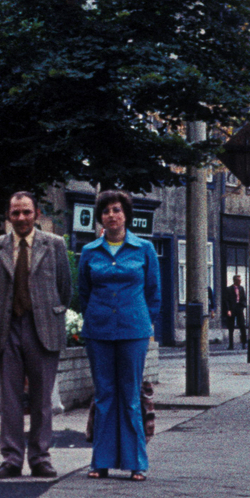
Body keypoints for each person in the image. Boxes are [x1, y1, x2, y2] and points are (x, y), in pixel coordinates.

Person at [0, 191, 73, 479]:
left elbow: (65, 287)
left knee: (41, 398)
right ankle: (11, 458)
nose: (21, 218)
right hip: (7, 328)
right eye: (15, 213)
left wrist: (52, 313)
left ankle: (40, 458)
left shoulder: (55, 244)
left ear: (36, 214)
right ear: (8, 216)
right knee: (9, 397)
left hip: (42, 328)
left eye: (26, 212)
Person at [78, 190, 159, 481]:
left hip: (133, 330)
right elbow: (84, 293)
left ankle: (136, 462)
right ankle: (100, 461)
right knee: (104, 395)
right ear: (100, 217)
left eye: (117, 210)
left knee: (130, 395)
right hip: (98, 331)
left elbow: (153, 293)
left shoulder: (144, 249)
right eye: (106, 211)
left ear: (126, 215)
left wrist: (144, 322)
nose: (112, 215)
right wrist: (97, 315)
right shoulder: (89, 252)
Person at [223, 275, 246, 342]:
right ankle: (231, 344)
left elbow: (243, 298)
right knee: (231, 326)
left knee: (242, 325)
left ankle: (244, 342)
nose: (240, 282)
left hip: (239, 307)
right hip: (232, 308)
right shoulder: (229, 289)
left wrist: (242, 306)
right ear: (235, 281)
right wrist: (228, 310)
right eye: (238, 280)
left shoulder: (241, 288)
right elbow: (226, 300)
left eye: (240, 280)